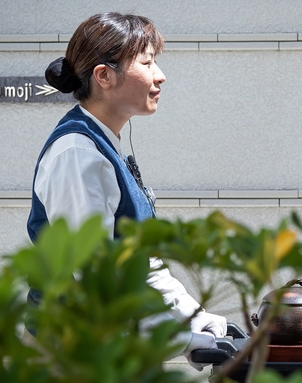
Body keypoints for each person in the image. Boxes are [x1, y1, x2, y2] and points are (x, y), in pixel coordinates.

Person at [25, 12, 226, 370]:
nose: (160, 75)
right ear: (104, 76)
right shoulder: (78, 153)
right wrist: (180, 339)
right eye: (148, 63)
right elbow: (93, 280)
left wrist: (192, 318)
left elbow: (142, 263)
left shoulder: (102, 143)